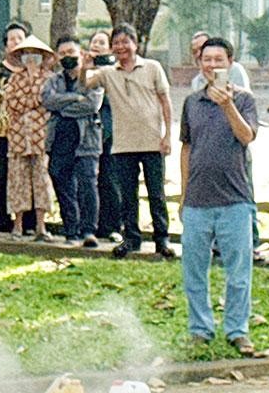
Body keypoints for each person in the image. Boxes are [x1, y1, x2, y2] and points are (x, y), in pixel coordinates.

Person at [180, 36, 260, 356]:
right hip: (198, 200)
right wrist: (183, 195)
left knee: (238, 272)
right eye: (206, 59)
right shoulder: (191, 102)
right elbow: (186, 148)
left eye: (219, 60)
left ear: (230, 63)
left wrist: (227, 105)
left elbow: (247, 136)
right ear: (200, 63)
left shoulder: (244, 100)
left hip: (235, 199)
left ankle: (237, 330)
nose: (212, 65)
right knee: (194, 271)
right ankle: (200, 328)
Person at [85, 22, 176, 260]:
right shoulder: (108, 73)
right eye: (116, 43)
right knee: (128, 194)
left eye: (126, 41)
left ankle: (162, 238)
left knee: (157, 194)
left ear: (136, 44)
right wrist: (87, 63)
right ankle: (132, 238)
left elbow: (166, 102)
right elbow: (84, 84)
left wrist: (167, 135)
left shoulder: (153, 67)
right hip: (123, 144)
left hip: (152, 142)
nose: (121, 47)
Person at [43, 36, 103, 247]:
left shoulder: (93, 76)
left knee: (88, 184)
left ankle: (89, 230)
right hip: (59, 138)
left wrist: (64, 104)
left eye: (71, 52)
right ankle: (71, 229)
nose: (68, 57)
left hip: (86, 139)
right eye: (63, 53)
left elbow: (92, 104)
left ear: (81, 54)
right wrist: (76, 97)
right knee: (62, 182)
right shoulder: (53, 80)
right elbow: (48, 100)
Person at [2, 35, 55, 239]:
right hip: (17, 137)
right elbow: (11, 103)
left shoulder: (49, 79)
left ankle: (41, 226)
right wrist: (32, 102)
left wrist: (31, 99)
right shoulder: (15, 79)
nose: (31, 59)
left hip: (41, 137)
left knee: (42, 180)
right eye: (26, 55)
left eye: (35, 55)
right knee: (18, 181)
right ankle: (18, 226)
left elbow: (46, 101)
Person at [0, 21, 29, 240]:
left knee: (27, 174)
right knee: (1, 173)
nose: (16, 43)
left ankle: (28, 221)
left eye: (20, 38)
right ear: (5, 45)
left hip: (27, 131)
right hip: (4, 129)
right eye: (12, 39)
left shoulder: (32, 69)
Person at [88, 31, 121, 243]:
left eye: (102, 42)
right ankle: (90, 224)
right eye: (94, 42)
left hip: (109, 133)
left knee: (109, 180)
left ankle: (112, 225)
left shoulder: (114, 71)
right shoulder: (83, 69)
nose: (97, 45)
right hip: (85, 135)